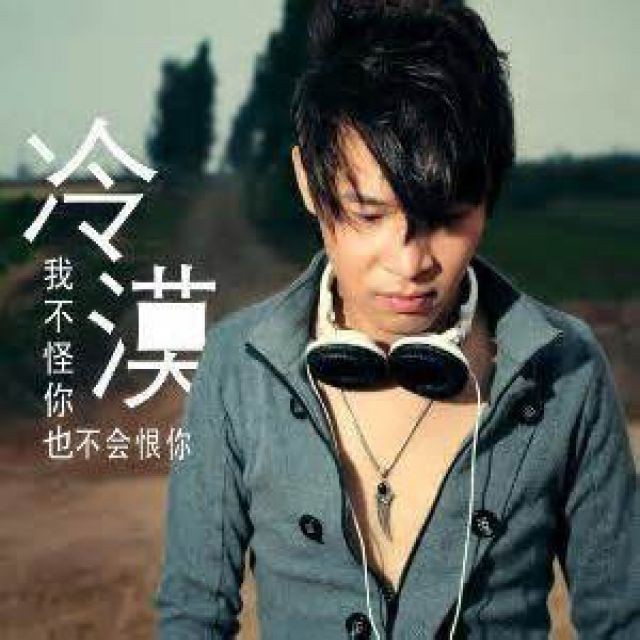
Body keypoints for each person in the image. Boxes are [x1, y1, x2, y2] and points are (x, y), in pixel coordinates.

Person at [153, 2, 639, 638]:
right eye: (369, 214)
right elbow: (192, 616)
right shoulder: (234, 364)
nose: (410, 264)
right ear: (308, 183)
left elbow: (623, 619)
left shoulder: (567, 369)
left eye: (447, 218)